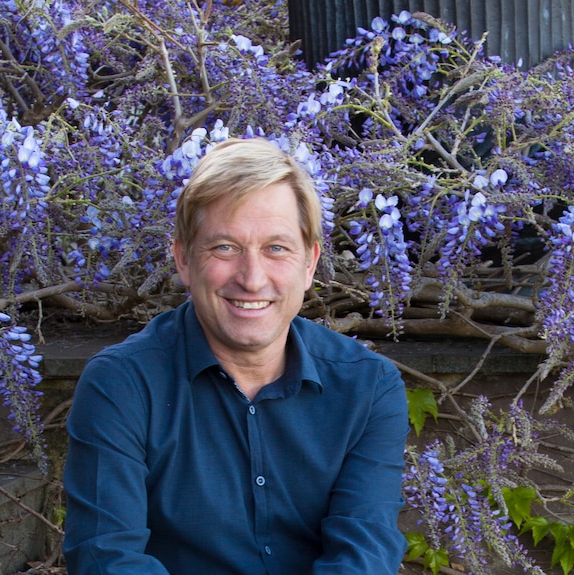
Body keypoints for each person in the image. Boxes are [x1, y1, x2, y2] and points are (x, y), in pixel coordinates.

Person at [62, 137, 410, 574]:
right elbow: (106, 558)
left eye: (276, 248)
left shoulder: (367, 386)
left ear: (309, 264)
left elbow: (364, 554)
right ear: (184, 259)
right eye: (225, 247)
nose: (252, 278)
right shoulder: (122, 385)